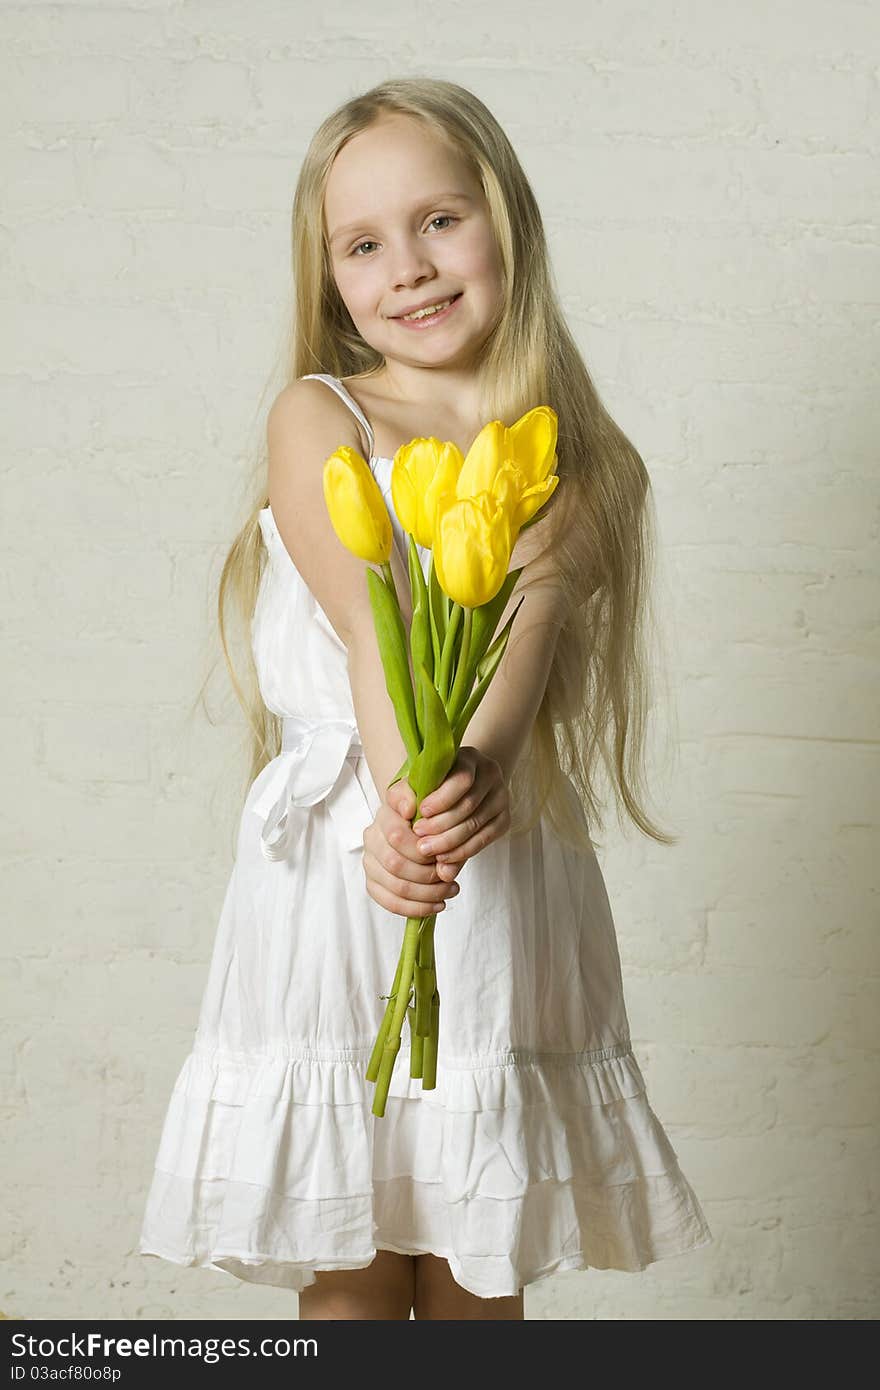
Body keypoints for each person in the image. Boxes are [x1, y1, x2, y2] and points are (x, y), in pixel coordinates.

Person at [138, 77, 713, 1321]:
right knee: (350, 1253)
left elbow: (527, 637)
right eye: (363, 242)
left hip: (482, 849)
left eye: (440, 220)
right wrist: (404, 804)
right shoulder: (322, 414)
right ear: (331, 274)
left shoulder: (564, 449)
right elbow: (368, 621)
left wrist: (461, 789)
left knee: (472, 1249)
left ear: (506, 222)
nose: (409, 265)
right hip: (355, 862)